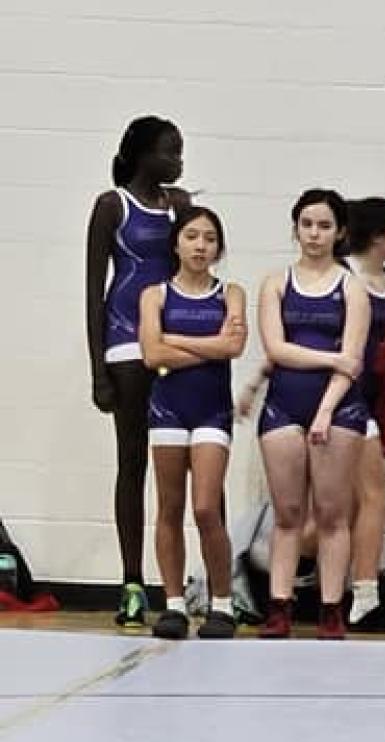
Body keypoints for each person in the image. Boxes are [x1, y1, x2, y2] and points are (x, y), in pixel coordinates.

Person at [84, 115, 191, 628]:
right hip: (126, 345)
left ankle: (180, 585)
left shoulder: (182, 205)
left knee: (178, 466)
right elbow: (93, 290)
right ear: (145, 154)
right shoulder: (112, 206)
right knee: (133, 462)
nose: (178, 160)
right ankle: (131, 582)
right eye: (171, 151)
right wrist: (97, 369)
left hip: (173, 342)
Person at [254, 189, 371, 640]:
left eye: (324, 226)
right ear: (295, 228)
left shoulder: (351, 288)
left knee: (330, 513)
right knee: (286, 512)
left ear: (339, 231)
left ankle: (330, 609)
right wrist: (328, 360)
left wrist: (325, 410)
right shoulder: (276, 284)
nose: (314, 234)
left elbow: (353, 361)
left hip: (339, 408)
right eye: (306, 225)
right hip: (284, 403)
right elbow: (276, 348)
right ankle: (279, 607)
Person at [137, 206, 246, 639]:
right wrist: (210, 344)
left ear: (219, 247)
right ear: (177, 243)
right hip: (167, 408)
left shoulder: (230, 293)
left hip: (211, 411)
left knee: (205, 507)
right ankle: (174, 603)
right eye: (192, 236)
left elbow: (234, 346)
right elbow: (150, 355)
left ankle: (223, 602)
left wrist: (174, 339)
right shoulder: (155, 295)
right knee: (169, 507)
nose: (201, 245)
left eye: (210, 238)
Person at [342, 197, 385, 626]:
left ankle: (348, 585)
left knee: (349, 504)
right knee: (375, 496)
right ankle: (364, 590)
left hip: (369, 399)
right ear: (377, 235)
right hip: (338, 398)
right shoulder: (345, 276)